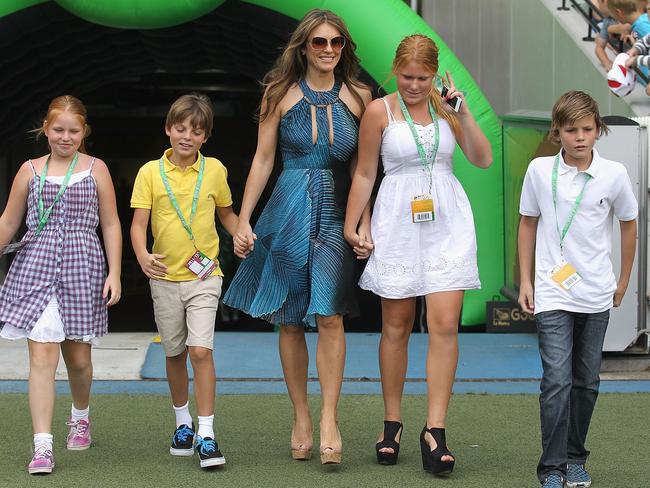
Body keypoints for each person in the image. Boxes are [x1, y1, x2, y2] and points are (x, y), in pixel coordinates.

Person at [222, 8, 372, 465]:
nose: (328, 50)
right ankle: (301, 415)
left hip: (335, 212)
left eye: (336, 42)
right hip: (286, 207)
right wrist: (244, 219)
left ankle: (329, 416)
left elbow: (366, 168)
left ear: (344, 48)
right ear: (304, 47)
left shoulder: (362, 97)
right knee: (288, 319)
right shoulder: (278, 94)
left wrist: (362, 222)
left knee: (329, 315)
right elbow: (263, 160)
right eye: (319, 42)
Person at [344, 34, 492, 474]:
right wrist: (352, 225)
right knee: (396, 323)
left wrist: (463, 111)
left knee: (445, 323)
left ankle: (436, 430)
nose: (414, 85)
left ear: (435, 74)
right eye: (407, 77)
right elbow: (366, 172)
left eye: (423, 78)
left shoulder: (448, 106)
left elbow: (482, 158)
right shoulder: (378, 110)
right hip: (397, 220)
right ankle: (391, 424)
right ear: (395, 70)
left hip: (447, 222)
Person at [518, 91, 637, 488]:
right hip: (552, 290)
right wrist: (525, 280)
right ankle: (552, 467)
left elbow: (630, 223)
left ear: (598, 129)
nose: (580, 137)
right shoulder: (538, 170)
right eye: (571, 130)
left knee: (587, 381)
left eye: (587, 129)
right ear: (558, 132)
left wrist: (623, 281)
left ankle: (574, 458)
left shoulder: (614, 174)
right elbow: (527, 222)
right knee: (556, 379)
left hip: (597, 291)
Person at [0, 95, 122, 474]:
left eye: (73, 130)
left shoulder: (96, 168)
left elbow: (111, 223)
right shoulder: (29, 170)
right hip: (35, 266)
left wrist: (114, 272)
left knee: (79, 360)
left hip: (82, 267)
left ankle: (80, 415)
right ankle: (42, 447)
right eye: (58, 130)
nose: (65, 137)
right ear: (46, 129)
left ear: (83, 131)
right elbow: (8, 221)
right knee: (42, 357)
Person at [130, 93, 239, 469]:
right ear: (168, 129)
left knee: (200, 351)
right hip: (164, 278)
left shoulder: (215, 170)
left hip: (206, 274)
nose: (187, 136)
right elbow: (137, 224)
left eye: (196, 131)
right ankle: (183, 424)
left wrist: (241, 233)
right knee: (174, 353)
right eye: (180, 128)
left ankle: (206, 434)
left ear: (205, 136)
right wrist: (142, 255)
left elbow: (226, 214)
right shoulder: (148, 172)